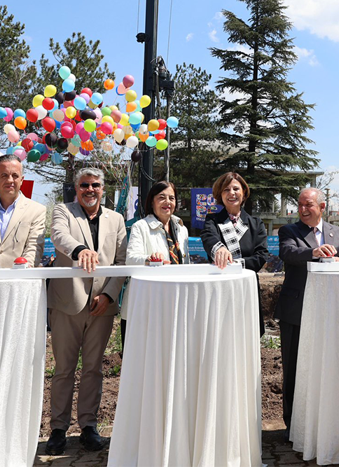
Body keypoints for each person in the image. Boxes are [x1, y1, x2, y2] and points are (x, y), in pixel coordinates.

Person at [46, 168, 127, 454]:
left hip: (101, 306)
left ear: (102, 189)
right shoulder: (63, 211)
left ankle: (89, 427)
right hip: (68, 302)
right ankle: (58, 428)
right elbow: (58, 237)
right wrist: (80, 249)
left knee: (93, 369)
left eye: (95, 185)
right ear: (76, 188)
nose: (89, 190)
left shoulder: (116, 219)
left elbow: (120, 261)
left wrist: (108, 294)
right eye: (84, 185)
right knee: (64, 369)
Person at [276, 187, 339, 438]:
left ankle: (325, 421)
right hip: (296, 310)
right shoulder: (290, 231)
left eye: (308, 205)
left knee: (328, 365)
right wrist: (314, 252)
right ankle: (293, 425)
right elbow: (287, 253)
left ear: (322, 207)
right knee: (294, 367)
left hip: (331, 311)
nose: (302, 209)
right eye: (299, 205)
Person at [200, 172, 270, 336]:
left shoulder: (256, 224)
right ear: (220, 195)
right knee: (220, 334)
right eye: (226, 190)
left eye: (236, 189)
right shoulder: (212, 220)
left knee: (246, 333)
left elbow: (261, 256)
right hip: (219, 287)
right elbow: (209, 238)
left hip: (246, 286)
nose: (231, 193)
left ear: (244, 192)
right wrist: (220, 249)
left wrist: (234, 264)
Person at [123, 181, 190, 346]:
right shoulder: (141, 227)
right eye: (162, 197)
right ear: (152, 202)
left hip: (175, 302)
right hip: (146, 303)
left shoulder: (182, 229)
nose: (167, 202)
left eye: (171, 198)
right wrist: (148, 259)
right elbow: (130, 259)